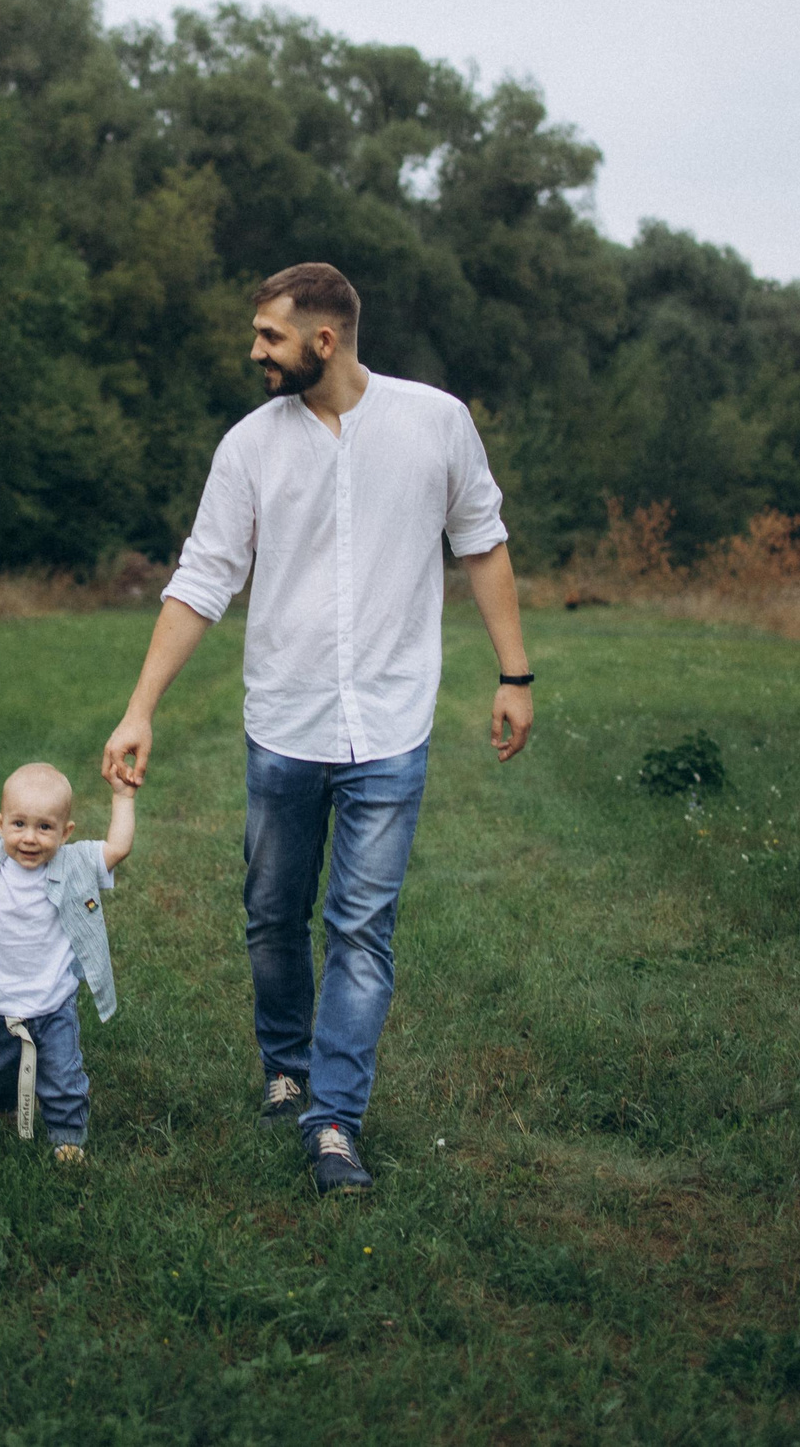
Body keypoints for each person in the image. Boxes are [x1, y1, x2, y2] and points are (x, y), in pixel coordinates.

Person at [100, 262, 534, 1194]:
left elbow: (483, 542)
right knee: (271, 915)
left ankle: (334, 1118)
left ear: (323, 341)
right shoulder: (250, 446)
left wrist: (514, 671)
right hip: (284, 721)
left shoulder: (435, 423)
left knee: (362, 927)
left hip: (390, 721)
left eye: (269, 336)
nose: (253, 351)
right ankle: (285, 1064)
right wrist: (141, 708)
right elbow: (202, 577)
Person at [0, 760, 135, 1164]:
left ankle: (67, 1137)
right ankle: (2, 1108)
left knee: (62, 1078)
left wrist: (123, 797)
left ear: (66, 832)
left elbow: (118, 848)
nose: (30, 838)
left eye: (45, 827)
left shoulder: (73, 865)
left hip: (53, 1004)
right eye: (18, 825)